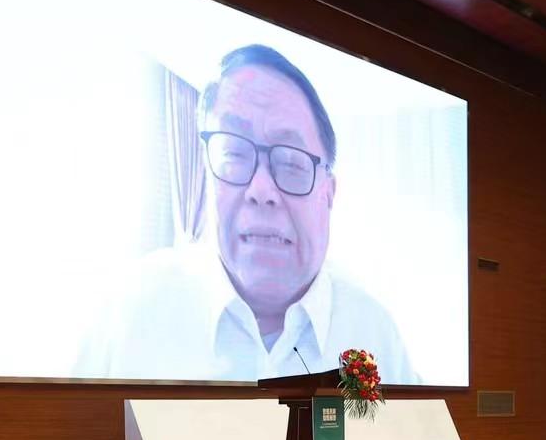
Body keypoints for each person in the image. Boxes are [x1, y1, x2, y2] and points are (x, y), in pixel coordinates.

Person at [79, 44, 420, 384]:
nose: (261, 190)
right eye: (234, 154)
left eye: (291, 162)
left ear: (328, 194)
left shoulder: (376, 335)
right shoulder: (128, 315)